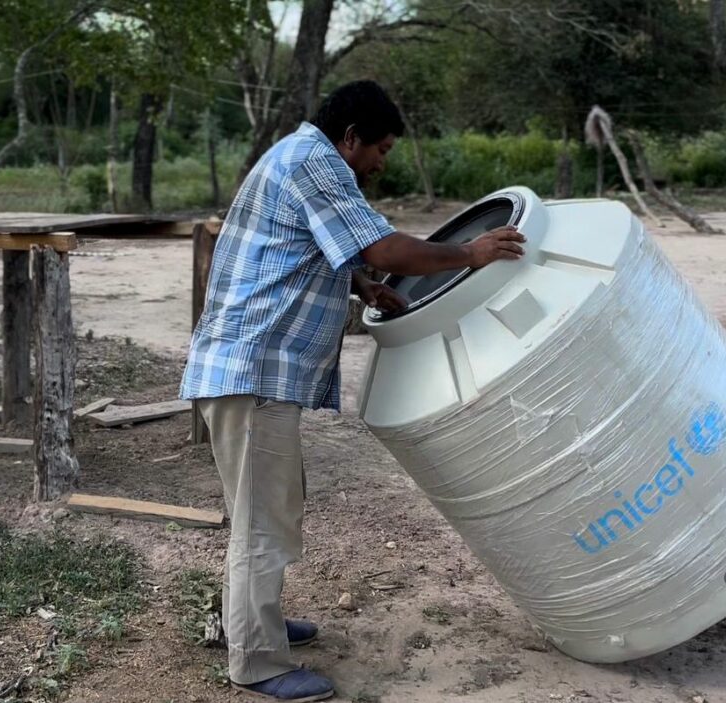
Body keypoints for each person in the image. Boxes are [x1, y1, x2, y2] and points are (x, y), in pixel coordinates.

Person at [180, 80, 525, 702]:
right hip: (253, 372)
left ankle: (251, 621)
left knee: (266, 509)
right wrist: (468, 253)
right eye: (381, 148)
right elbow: (383, 244)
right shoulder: (317, 163)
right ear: (351, 137)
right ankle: (256, 659)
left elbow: (304, 252)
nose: (381, 162)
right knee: (263, 521)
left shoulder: (297, 155)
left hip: (247, 370)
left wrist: (363, 285)